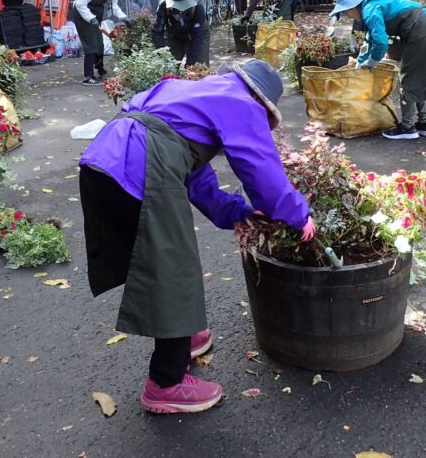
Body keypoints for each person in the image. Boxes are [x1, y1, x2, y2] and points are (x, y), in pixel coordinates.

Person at [78, 59, 315, 415]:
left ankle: (183, 336)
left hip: (103, 163)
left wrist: (238, 212)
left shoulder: (192, 93)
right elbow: (263, 172)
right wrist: (298, 215)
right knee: (174, 269)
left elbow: (194, 175)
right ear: (262, 102)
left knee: (165, 262)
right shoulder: (241, 102)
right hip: (140, 169)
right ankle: (165, 383)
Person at [331, 0, 426, 140]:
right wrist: (361, 61)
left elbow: (381, 43)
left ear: (353, 6)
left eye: (346, 11)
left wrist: (371, 62)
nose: (347, 15)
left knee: (408, 77)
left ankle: (408, 128)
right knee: (419, 75)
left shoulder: (369, 9)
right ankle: (425, 124)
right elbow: (372, 38)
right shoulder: (372, 4)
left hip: (421, 30)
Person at [73, 0, 128, 85]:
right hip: (82, 15)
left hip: (94, 16)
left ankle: (100, 69)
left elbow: (114, 6)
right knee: (91, 44)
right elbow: (80, 4)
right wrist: (91, 18)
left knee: (99, 43)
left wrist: (124, 18)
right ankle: (88, 76)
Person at [151, 0, 210, 66]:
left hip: (197, 35)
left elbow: (198, 37)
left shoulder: (198, 7)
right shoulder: (164, 5)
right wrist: (161, 55)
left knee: (198, 68)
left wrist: (191, 64)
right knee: (168, 66)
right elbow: (157, 32)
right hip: (174, 35)